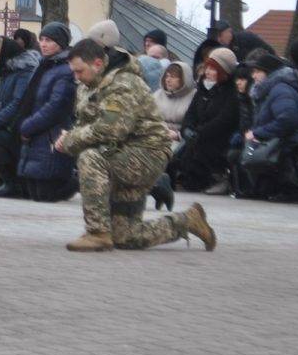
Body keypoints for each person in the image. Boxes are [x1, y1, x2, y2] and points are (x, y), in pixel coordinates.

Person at [56, 39, 216, 254]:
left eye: (79, 71)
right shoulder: (88, 86)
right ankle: (188, 221)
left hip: (147, 153)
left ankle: (97, 233)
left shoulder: (123, 84)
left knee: (91, 158)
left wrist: (70, 140)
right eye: (74, 72)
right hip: (120, 154)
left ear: (97, 64)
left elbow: (110, 130)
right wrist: (69, 136)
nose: (76, 77)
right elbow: (86, 123)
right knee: (127, 237)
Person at [230, 50, 298, 202]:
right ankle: (263, 189)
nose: (253, 76)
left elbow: (287, 120)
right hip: (284, 137)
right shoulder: (268, 90)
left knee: (268, 153)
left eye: (257, 71)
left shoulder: (280, 89)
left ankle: (291, 190)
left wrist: (258, 133)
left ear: (268, 72)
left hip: (297, 139)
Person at [0, 29, 48, 196]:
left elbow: (17, 104)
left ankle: (16, 184)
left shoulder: (24, 73)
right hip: (7, 127)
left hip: (24, 132)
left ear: (6, 55)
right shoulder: (0, 75)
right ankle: (12, 183)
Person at [15, 34, 78, 203]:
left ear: (61, 44)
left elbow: (55, 106)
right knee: (35, 194)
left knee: (45, 194)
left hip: (51, 134)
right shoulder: (43, 66)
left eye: (49, 40)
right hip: (35, 134)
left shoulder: (65, 70)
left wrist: (28, 126)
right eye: (41, 40)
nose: (43, 44)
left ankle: (79, 182)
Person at [168, 47, 240, 193]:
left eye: (213, 69)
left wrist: (199, 132)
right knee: (180, 154)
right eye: (207, 67)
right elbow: (191, 113)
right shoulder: (202, 89)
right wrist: (187, 128)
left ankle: (216, 178)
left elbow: (224, 120)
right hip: (198, 134)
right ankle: (183, 179)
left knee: (200, 150)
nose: (208, 72)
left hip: (218, 137)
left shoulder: (231, 93)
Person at [154, 61, 197, 142]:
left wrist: (178, 136)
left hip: (179, 141)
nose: (168, 80)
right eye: (167, 76)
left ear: (184, 79)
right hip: (155, 135)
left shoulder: (195, 97)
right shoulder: (158, 94)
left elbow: (195, 125)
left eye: (173, 77)